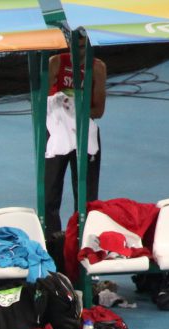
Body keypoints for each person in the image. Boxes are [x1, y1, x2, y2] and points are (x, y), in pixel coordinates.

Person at [44, 35, 106, 234]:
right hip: (57, 133)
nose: (76, 52)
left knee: (86, 195)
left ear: (88, 46)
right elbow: (41, 101)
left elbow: (99, 111)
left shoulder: (97, 68)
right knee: (50, 193)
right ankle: (51, 239)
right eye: (73, 46)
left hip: (84, 133)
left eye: (81, 47)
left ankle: (81, 236)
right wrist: (60, 106)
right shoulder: (56, 63)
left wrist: (74, 108)